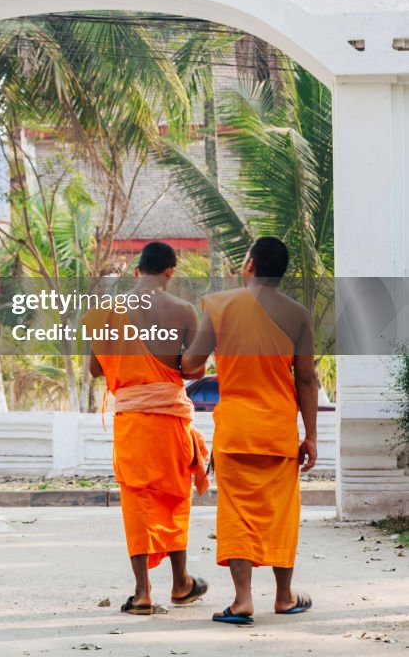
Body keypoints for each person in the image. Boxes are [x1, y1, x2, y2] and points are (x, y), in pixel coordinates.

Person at [181, 236, 318, 626]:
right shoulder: (297, 315)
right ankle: (284, 596)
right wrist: (311, 436)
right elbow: (307, 381)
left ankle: (242, 600)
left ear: (250, 265)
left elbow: (192, 362)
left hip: (237, 430)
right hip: (277, 431)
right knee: (281, 514)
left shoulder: (221, 305)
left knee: (238, 514)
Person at [85, 241, 210, 615]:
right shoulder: (184, 310)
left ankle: (142, 593)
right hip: (170, 420)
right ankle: (181, 583)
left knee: (137, 502)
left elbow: (94, 370)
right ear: (170, 271)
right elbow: (191, 368)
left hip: (132, 422)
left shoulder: (106, 311)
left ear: (137, 270)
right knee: (174, 498)